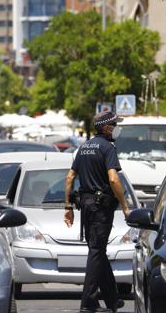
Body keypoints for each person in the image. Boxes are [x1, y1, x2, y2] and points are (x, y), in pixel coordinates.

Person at [64, 111, 130, 313]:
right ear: (106, 127)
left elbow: (69, 178)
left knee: (97, 251)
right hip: (101, 207)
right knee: (96, 252)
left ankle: (112, 299)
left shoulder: (83, 147)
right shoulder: (108, 148)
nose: (117, 128)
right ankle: (88, 304)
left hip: (85, 206)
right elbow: (113, 179)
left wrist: (67, 207)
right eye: (115, 124)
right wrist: (125, 206)